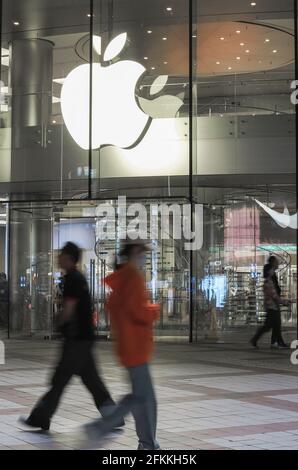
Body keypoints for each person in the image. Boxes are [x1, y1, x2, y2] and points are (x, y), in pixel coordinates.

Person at [20, 242, 121, 431]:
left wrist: (57, 321)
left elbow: (68, 309)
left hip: (77, 340)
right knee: (92, 380)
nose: (58, 258)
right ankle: (114, 416)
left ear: (68, 258)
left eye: (61, 255)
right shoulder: (76, 277)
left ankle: (40, 417)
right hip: (82, 338)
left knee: (60, 380)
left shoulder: (73, 279)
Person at [86, 239, 160, 450]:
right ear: (135, 252)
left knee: (146, 400)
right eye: (143, 253)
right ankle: (103, 427)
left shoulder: (122, 279)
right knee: (140, 399)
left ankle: (148, 444)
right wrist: (154, 309)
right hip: (136, 347)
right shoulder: (132, 278)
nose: (144, 257)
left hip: (129, 347)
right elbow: (138, 312)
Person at [250, 256, 289, 349]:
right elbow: (274, 296)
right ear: (269, 271)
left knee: (275, 325)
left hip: (272, 306)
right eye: (275, 263)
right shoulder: (269, 282)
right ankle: (257, 339)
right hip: (272, 307)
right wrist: (284, 301)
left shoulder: (271, 280)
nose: (277, 265)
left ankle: (275, 342)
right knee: (269, 326)